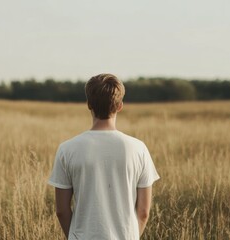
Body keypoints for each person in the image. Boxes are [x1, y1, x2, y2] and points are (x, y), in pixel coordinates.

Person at [48, 73, 160, 239]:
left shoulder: (67, 149)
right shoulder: (139, 149)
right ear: (120, 105)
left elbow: (61, 211)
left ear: (88, 104)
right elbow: (143, 212)